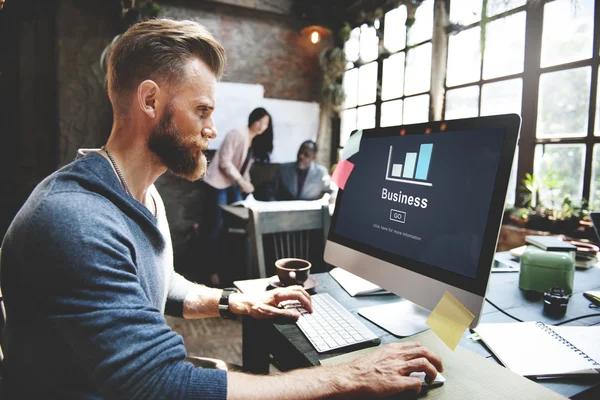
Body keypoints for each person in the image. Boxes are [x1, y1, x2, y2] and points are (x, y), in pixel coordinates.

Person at [0, 18, 443, 399]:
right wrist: (351, 376)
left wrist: (239, 303)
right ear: (150, 101)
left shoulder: (141, 194)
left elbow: (160, 283)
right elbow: (165, 385)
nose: (212, 129)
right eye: (202, 110)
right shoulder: (75, 221)